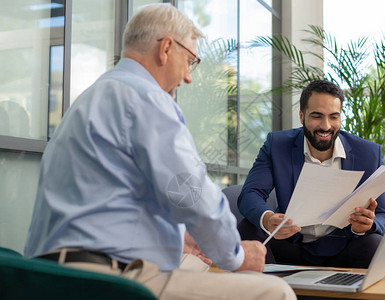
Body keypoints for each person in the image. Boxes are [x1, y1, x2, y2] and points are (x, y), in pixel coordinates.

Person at [24, 5, 295, 300]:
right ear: (166, 48)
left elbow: (106, 204)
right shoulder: (146, 97)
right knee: (275, 292)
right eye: (190, 61)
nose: (189, 77)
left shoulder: (91, 98)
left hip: (49, 272)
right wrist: (236, 255)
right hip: (104, 278)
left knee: (195, 265)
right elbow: (192, 194)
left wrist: (180, 237)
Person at [238, 79, 385, 268]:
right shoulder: (276, 145)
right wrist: (268, 218)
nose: (326, 126)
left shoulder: (368, 153)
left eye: (334, 117)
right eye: (317, 116)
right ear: (302, 116)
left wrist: (368, 224)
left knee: (374, 243)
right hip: (290, 244)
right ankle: (274, 291)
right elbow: (250, 194)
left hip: (344, 248)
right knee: (249, 227)